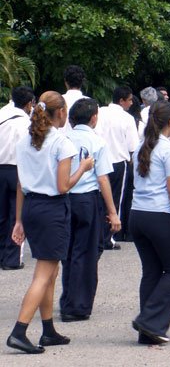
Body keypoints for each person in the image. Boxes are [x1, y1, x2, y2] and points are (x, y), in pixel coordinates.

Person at [7, 91, 94, 354]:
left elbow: (22, 184)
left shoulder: (26, 142)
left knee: (50, 271)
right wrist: (84, 167)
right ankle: (19, 331)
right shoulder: (61, 143)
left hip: (32, 206)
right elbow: (63, 184)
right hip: (52, 209)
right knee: (44, 273)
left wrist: (19, 221)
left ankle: (48, 329)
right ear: (62, 113)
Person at [130, 101, 170, 345]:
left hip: (138, 215)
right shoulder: (168, 150)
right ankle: (149, 320)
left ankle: (148, 330)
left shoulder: (140, 147)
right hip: (160, 216)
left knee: (153, 271)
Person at [60, 98, 121, 322]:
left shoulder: (62, 138)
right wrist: (113, 211)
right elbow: (103, 178)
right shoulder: (97, 142)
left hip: (64, 198)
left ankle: (67, 297)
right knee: (85, 253)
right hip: (86, 200)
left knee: (67, 252)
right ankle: (77, 305)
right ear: (94, 118)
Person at [96, 85, 139, 248]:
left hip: (100, 160)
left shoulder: (100, 112)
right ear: (121, 101)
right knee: (115, 200)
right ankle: (108, 237)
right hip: (118, 161)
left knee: (100, 198)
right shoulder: (127, 118)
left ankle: (99, 234)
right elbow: (132, 145)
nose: (130, 104)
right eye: (129, 100)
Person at [0, 86, 34, 270]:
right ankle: (12, 259)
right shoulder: (25, 123)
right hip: (16, 171)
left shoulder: (1, 114)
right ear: (29, 104)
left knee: (1, 214)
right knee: (16, 215)